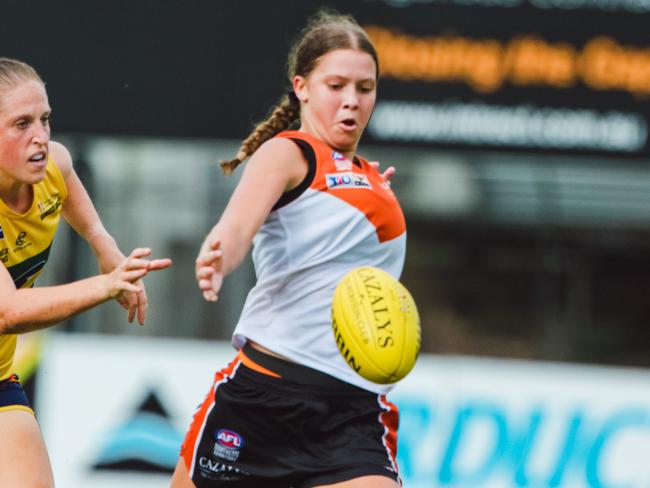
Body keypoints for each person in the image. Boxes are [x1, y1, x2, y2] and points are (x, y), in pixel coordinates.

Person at [171, 9, 405, 488]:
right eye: (335, 85)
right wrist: (221, 253)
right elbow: (238, 226)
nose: (352, 102)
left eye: (365, 88)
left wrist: (366, 192)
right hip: (261, 399)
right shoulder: (288, 153)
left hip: (352, 415)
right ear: (302, 87)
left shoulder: (369, 177)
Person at [0, 57, 172, 488]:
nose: (39, 136)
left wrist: (103, 244)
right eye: (21, 124)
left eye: (45, 119)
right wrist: (106, 285)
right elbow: (8, 312)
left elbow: (67, 176)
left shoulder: (51, 165)